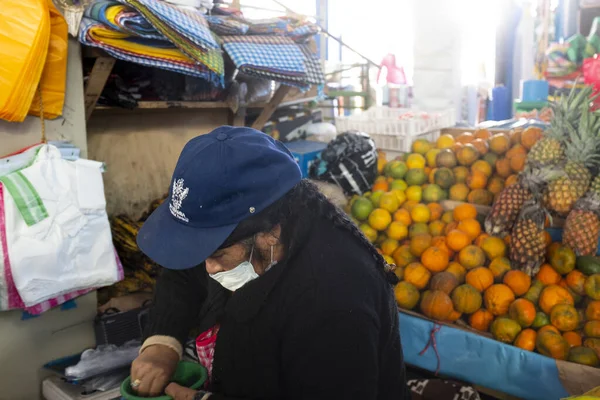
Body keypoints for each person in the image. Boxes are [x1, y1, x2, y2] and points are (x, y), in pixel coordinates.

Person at [131, 126, 409, 400]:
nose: (207, 267)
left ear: (269, 235)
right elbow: (183, 272)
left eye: (216, 255)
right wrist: (161, 344)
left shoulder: (333, 300)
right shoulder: (240, 236)